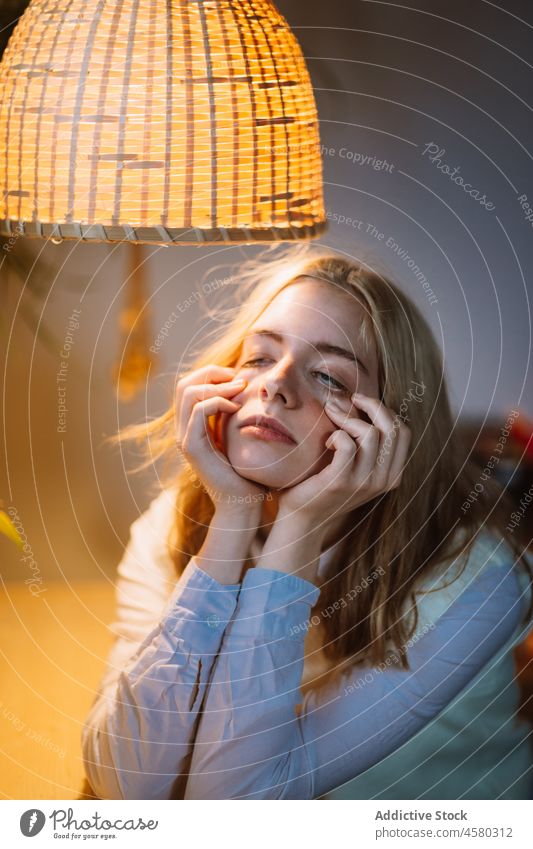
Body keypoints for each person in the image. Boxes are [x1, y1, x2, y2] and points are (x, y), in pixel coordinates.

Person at [82, 247, 533, 800]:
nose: (275, 384)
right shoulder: (170, 525)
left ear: (388, 430)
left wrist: (298, 526)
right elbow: (126, 784)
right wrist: (234, 517)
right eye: (258, 357)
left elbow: (235, 805)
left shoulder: (475, 580)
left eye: (328, 376)